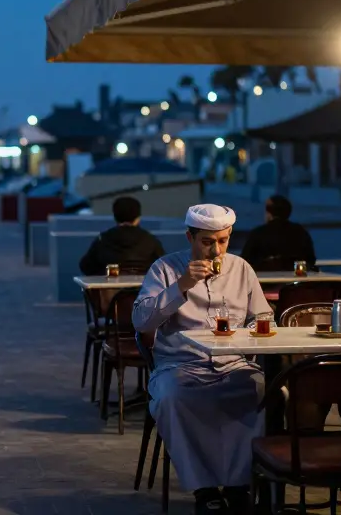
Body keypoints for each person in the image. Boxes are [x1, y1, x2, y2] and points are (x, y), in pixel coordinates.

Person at [133, 204, 273, 514]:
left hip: (233, 364)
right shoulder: (165, 269)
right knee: (172, 397)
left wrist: (254, 331)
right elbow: (141, 322)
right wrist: (182, 285)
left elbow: (263, 316)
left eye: (223, 241)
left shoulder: (241, 269)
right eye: (207, 242)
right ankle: (204, 489)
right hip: (180, 364)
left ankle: (239, 485)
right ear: (190, 237)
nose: (216, 250)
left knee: (262, 391)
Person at [78, 196, 165, 276]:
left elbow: (86, 266)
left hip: (109, 287)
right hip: (144, 287)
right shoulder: (150, 240)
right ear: (138, 217)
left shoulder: (102, 239)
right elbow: (163, 267)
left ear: (115, 216)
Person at [238, 195, 316, 272]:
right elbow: (310, 259)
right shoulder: (301, 232)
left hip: (264, 279)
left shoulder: (258, 233)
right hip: (296, 278)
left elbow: (245, 261)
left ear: (269, 214)